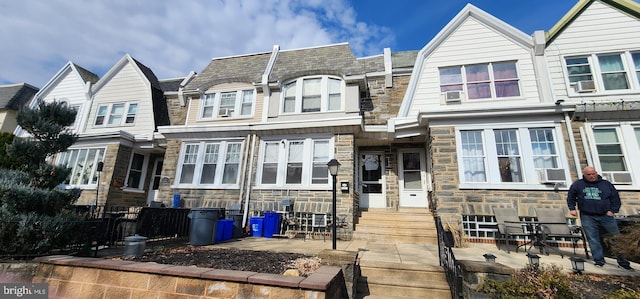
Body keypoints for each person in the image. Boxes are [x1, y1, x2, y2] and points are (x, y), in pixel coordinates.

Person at [567, 166, 634, 270]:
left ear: (596, 173)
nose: (592, 176)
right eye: (588, 175)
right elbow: (571, 197)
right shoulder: (578, 184)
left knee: (616, 238)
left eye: (593, 174)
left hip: (605, 215)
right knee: (593, 239)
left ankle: (623, 262)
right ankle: (599, 260)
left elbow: (615, 198)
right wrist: (572, 208)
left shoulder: (606, 184)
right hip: (587, 215)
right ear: (584, 175)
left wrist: (612, 210)